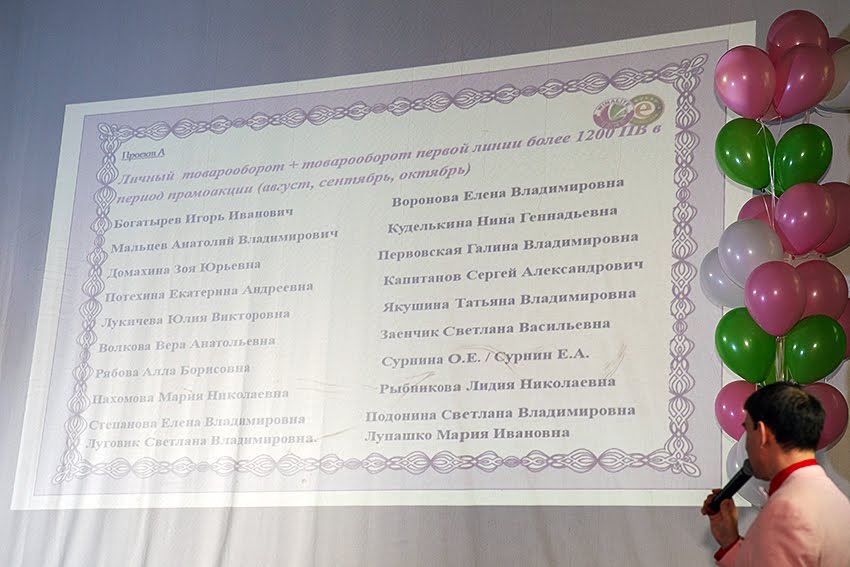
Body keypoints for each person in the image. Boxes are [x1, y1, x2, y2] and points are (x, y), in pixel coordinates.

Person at [701, 381, 850, 566]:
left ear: (762, 435)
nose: (746, 444)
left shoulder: (790, 509)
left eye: (748, 431)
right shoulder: (823, 496)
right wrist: (730, 541)